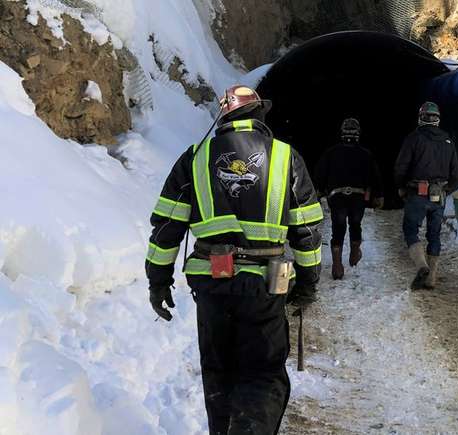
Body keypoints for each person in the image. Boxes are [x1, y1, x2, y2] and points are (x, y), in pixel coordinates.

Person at [145, 85, 323, 435]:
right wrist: (307, 284)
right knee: (262, 372)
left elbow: (166, 228)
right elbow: (307, 231)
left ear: (223, 117)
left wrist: (157, 281)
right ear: (259, 115)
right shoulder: (286, 157)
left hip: (212, 285)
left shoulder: (194, 158)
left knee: (218, 371)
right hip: (265, 286)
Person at [394, 102, 458, 290]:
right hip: (439, 194)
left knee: (410, 229)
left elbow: (401, 167)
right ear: (438, 118)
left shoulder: (413, 139)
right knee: (434, 234)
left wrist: (401, 186)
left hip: (417, 192)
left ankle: (422, 265)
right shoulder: (448, 140)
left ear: (421, 118)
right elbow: (456, 172)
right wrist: (446, 189)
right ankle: (432, 277)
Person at [314, 118, 384, 279]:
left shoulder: (330, 153)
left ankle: (337, 267)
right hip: (358, 197)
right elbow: (375, 177)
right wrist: (378, 196)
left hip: (336, 197)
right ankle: (354, 251)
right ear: (358, 134)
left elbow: (319, 174)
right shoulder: (366, 154)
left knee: (338, 228)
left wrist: (318, 192)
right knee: (355, 224)